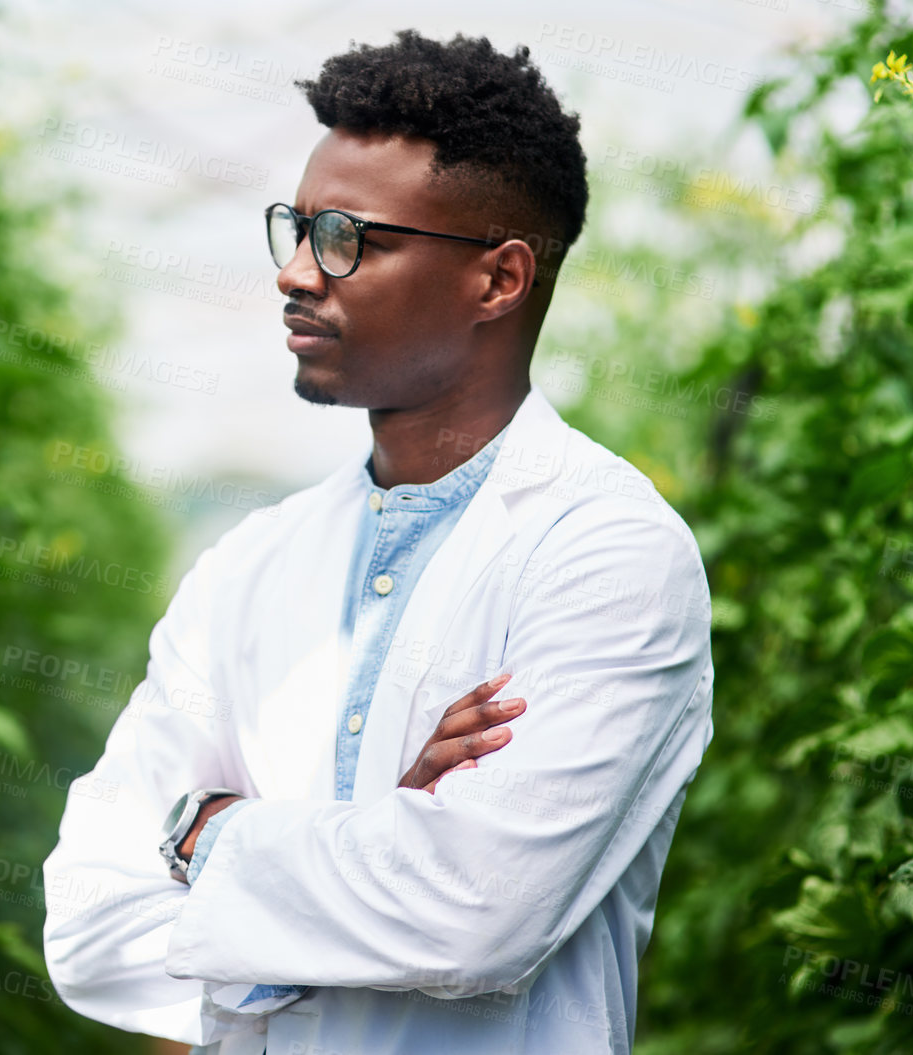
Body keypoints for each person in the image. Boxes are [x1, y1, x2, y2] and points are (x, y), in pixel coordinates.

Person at [41, 29, 714, 1055]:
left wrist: (204, 832)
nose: (298, 274)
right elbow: (89, 920)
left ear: (498, 279)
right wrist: (376, 835)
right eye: (297, 228)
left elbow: (475, 910)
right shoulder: (246, 568)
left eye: (350, 237)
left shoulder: (607, 552)